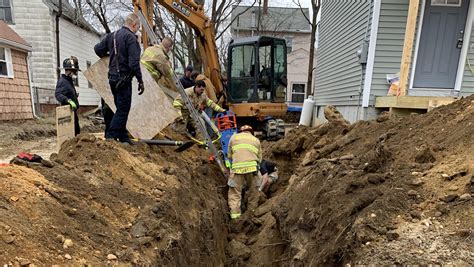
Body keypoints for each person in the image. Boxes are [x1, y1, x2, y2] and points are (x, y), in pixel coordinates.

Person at [94, 12, 144, 144]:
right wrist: (140, 80)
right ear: (134, 25)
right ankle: (111, 136)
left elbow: (98, 49)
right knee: (123, 109)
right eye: (138, 27)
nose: (138, 30)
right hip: (124, 79)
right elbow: (134, 63)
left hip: (112, 78)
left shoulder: (112, 36)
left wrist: (111, 55)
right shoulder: (131, 38)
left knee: (120, 107)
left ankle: (122, 136)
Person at [227, 125, 262, 220]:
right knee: (253, 191)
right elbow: (259, 159)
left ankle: (235, 218)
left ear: (241, 131)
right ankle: (251, 214)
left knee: (235, 193)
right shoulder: (256, 140)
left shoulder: (233, 137)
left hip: (237, 169)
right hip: (252, 169)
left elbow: (229, 155)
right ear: (251, 131)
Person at [55, 56, 81, 136]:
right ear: (69, 70)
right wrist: (68, 100)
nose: (75, 74)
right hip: (67, 112)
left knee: (76, 131)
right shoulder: (63, 81)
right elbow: (58, 94)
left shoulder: (69, 81)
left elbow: (67, 91)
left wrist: (74, 95)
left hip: (73, 111)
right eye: (74, 71)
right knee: (72, 133)